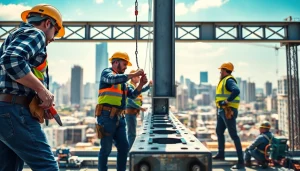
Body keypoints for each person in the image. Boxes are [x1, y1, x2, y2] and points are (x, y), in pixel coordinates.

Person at [0, 4, 64, 171]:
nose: (53, 38)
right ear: (47, 23)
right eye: (55, 32)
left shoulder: (14, 36)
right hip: (15, 111)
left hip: (5, 111)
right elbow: (12, 60)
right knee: (48, 167)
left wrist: (39, 99)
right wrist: (43, 90)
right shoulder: (36, 33)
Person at [95, 52, 148, 171]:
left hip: (120, 118)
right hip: (106, 116)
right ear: (115, 62)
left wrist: (141, 84)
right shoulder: (107, 73)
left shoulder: (123, 82)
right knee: (106, 149)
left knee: (124, 148)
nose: (125, 67)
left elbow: (133, 94)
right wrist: (134, 74)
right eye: (124, 64)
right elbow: (112, 79)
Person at [213, 62, 245, 169]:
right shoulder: (223, 81)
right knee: (219, 131)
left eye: (221, 70)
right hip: (222, 111)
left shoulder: (229, 80)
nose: (220, 72)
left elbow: (236, 90)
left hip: (228, 110)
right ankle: (221, 154)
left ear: (225, 70)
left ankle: (241, 162)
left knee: (233, 135)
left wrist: (227, 101)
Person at [125, 70, 152, 149]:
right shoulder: (129, 85)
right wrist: (140, 108)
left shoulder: (134, 86)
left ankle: (131, 151)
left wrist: (148, 86)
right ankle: (131, 152)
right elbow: (128, 100)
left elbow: (141, 90)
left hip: (132, 113)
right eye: (137, 76)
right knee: (131, 134)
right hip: (130, 113)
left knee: (131, 133)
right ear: (132, 78)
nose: (139, 78)